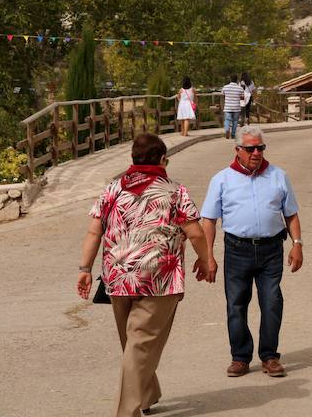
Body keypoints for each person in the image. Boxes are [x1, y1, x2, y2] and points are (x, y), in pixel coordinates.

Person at [76, 133, 213, 417]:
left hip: (118, 279)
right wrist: (206, 258)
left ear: (132, 160)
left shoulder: (112, 190)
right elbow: (195, 231)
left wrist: (84, 269)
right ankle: (126, 412)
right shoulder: (175, 192)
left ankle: (147, 395)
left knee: (134, 343)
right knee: (139, 345)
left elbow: (93, 231)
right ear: (163, 160)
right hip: (159, 280)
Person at [200, 125, 304, 378]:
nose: (256, 152)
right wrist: (208, 257)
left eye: (260, 147)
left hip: (271, 250)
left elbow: (290, 213)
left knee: (272, 302)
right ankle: (240, 357)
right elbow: (209, 220)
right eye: (250, 148)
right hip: (237, 250)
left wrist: (297, 244)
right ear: (238, 150)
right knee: (236, 304)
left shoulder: (278, 175)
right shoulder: (222, 179)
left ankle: (269, 356)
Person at [221, 74, 243, 139]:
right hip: (236, 107)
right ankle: (233, 134)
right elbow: (242, 98)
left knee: (227, 120)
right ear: (237, 80)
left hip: (228, 106)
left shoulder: (225, 87)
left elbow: (222, 95)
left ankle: (227, 129)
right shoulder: (240, 88)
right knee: (235, 121)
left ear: (230, 79)